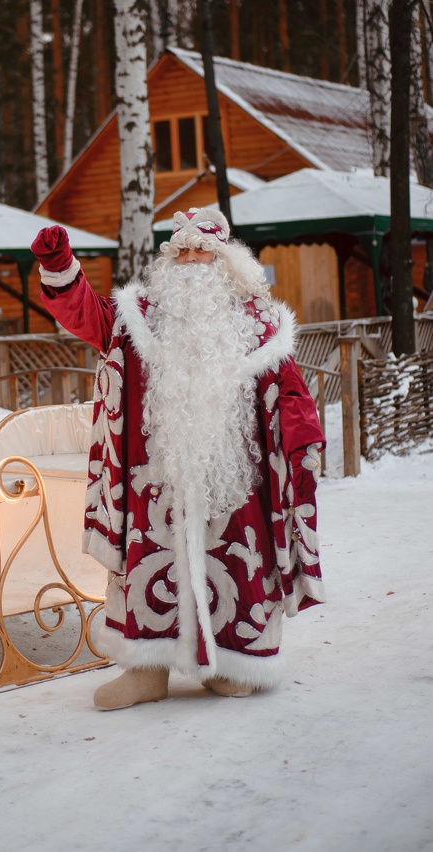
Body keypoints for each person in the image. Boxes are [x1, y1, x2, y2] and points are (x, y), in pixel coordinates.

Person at [31, 207, 325, 710]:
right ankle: (145, 671)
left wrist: (305, 442)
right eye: (181, 251)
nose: (190, 261)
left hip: (236, 479)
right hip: (156, 478)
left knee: (237, 563)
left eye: (202, 251)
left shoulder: (259, 323)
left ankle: (232, 663)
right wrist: (60, 264)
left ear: (226, 260)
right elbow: (86, 314)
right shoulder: (139, 315)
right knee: (150, 564)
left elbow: (289, 389)